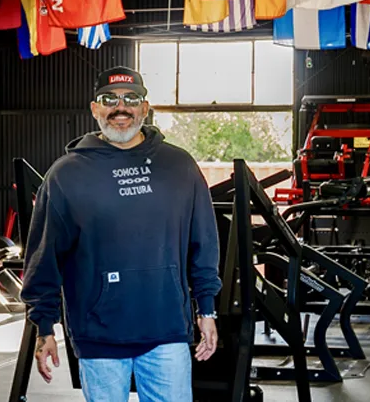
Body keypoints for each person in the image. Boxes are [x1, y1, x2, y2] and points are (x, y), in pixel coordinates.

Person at [20, 66, 223, 402]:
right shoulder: (66, 175)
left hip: (167, 330)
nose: (121, 108)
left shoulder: (179, 167)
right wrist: (44, 327)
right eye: (109, 99)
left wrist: (207, 309)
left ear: (145, 107)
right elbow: (44, 256)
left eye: (131, 98)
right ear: (94, 108)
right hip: (98, 334)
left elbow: (204, 243)